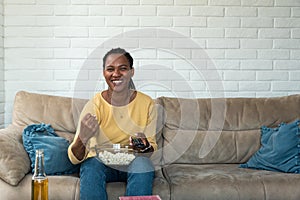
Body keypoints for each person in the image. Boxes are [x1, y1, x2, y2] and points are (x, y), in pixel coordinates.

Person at [68, 47, 158, 200]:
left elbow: (150, 151)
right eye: (110, 69)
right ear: (104, 73)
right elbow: (74, 158)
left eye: (123, 69)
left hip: (133, 162)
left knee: (143, 164)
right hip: (101, 163)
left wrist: (143, 147)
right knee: (91, 165)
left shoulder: (147, 103)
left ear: (131, 72)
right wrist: (82, 138)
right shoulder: (94, 105)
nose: (116, 74)